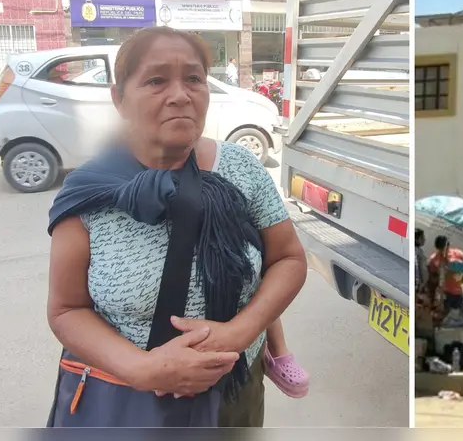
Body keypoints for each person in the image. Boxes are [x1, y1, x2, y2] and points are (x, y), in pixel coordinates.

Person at [44, 27, 309, 427]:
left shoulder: (241, 168)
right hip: (126, 402)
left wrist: (240, 333)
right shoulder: (89, 191)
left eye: (194, 79)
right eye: (156, 80)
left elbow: (288, 258)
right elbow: (67, 309)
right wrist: (143, 369)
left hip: (235, 391)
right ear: (119, 99)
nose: (180, 95)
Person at [427, 235, 463, 315]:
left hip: (458, 291)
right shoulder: (434, 259)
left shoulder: (458, 254)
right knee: (444, 316)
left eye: (445, 246)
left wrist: (459, 270)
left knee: (457, 317)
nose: (443, 250)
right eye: (441, 248)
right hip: (444, 293)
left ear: (449, 245)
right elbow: (432, 276)